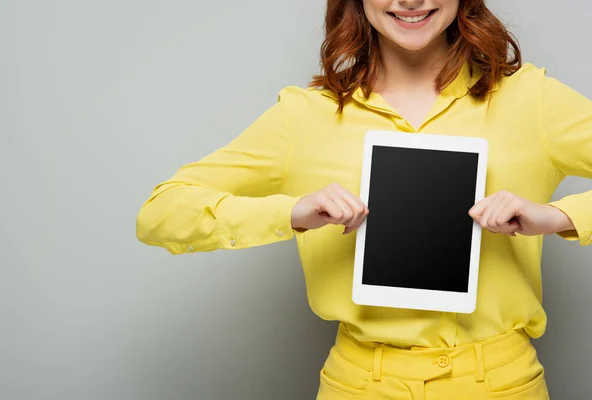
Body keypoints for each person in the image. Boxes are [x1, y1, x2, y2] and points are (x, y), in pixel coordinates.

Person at [136, 0, 592, 398]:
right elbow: (160, 213)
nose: (410, 0)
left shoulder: (532, 101)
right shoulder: (304, 116)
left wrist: (557, 217)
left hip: (500, 384)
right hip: (358, 385)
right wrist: (290, 213)